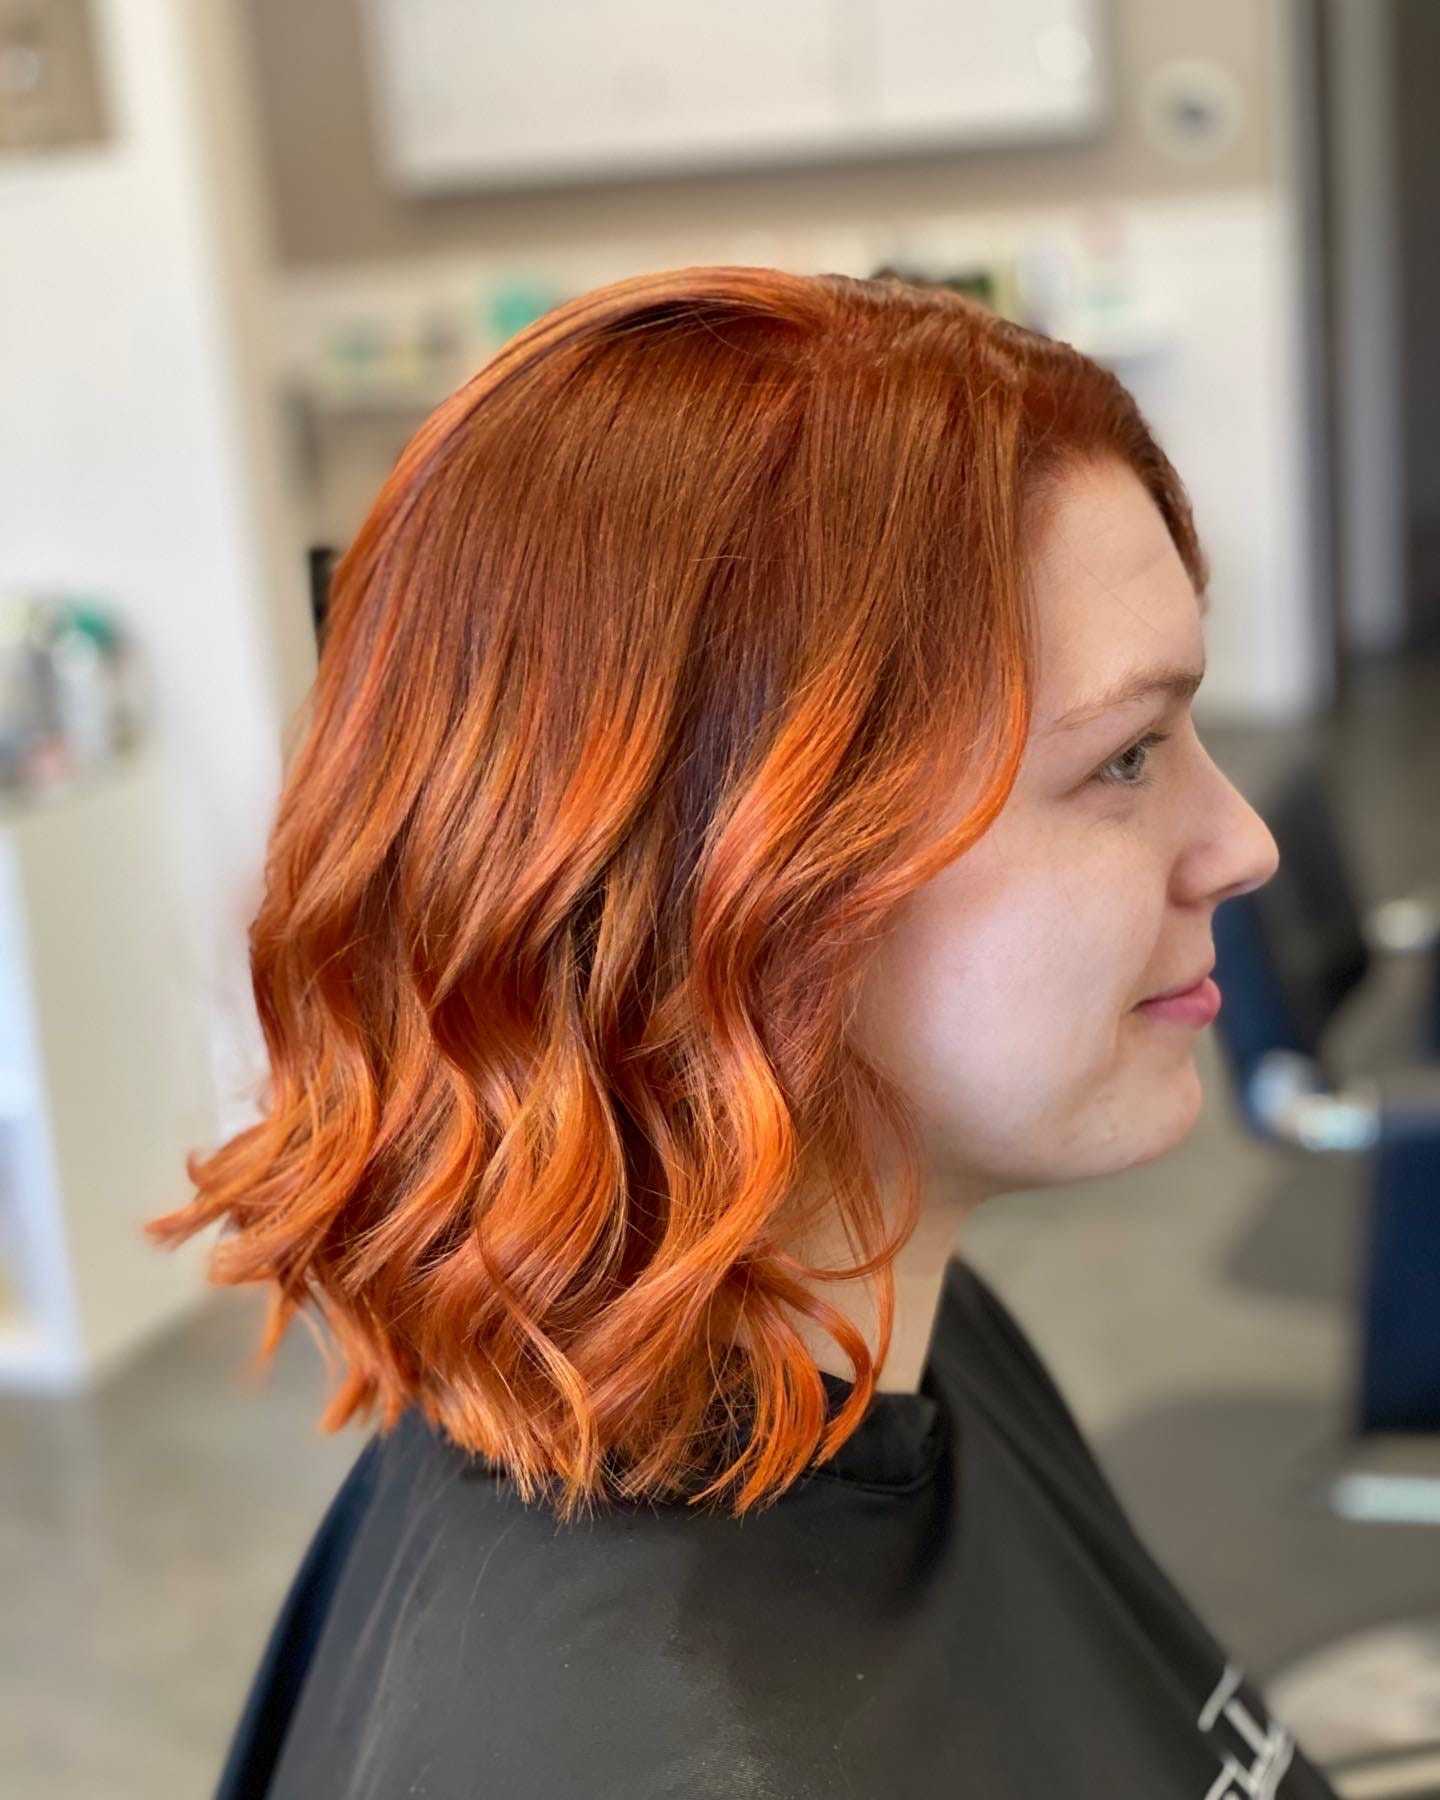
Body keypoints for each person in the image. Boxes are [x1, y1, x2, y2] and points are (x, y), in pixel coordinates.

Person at [146, 266, 1338, 1798]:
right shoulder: (649, 1753)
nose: (1242, 844)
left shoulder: (892, 1311)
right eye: (1125, 759)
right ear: (733, 882)